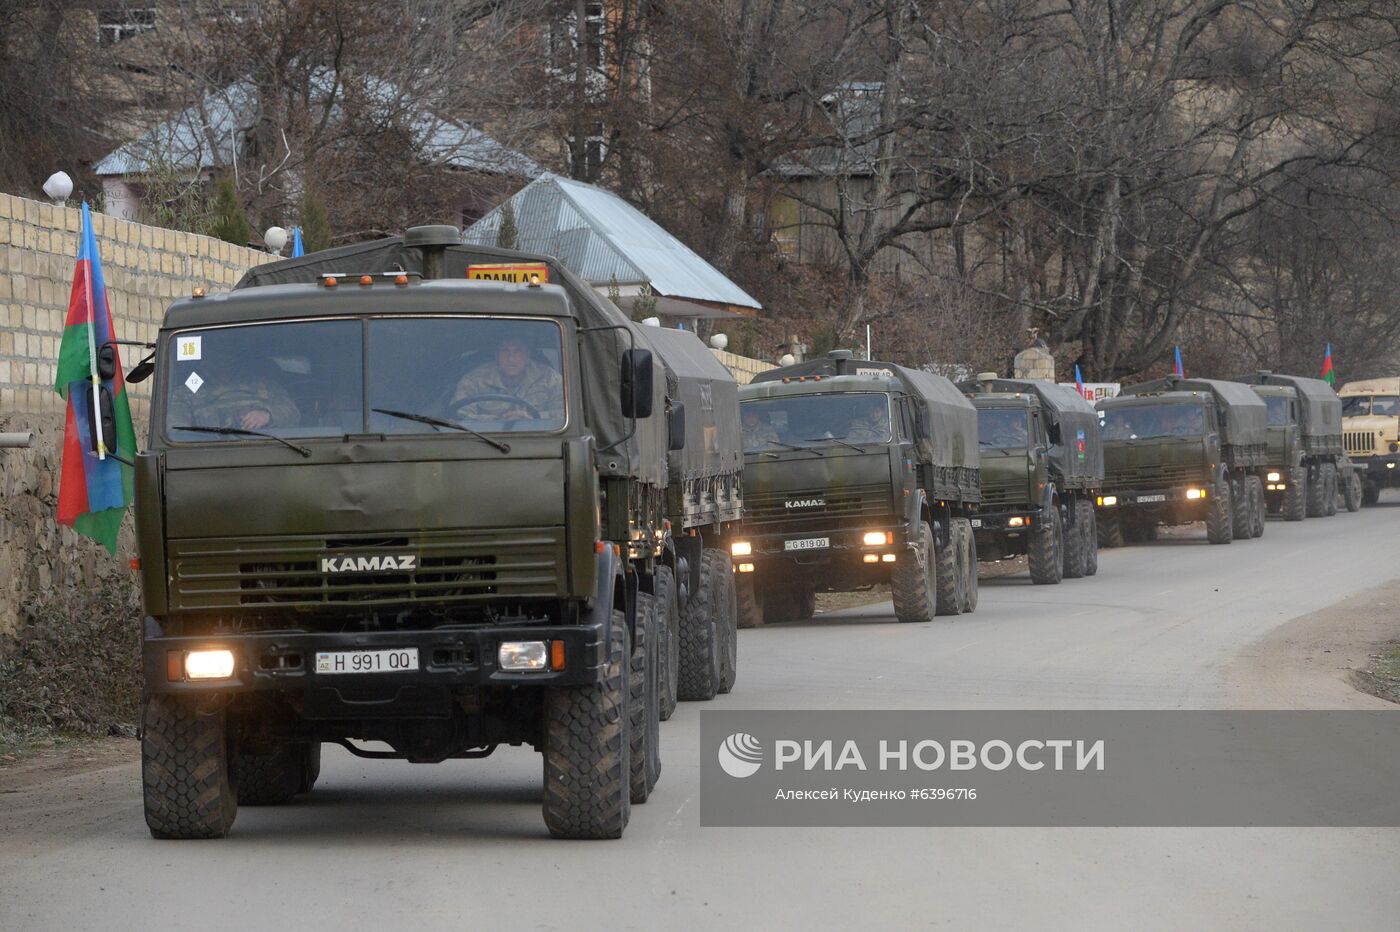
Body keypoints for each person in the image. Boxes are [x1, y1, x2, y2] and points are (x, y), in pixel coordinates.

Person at [449, 334, 564, 422]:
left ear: (527, 354)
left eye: (517, 351)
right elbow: (459, 416)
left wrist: (534, 418)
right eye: (505, 351)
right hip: (486, 442)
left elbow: (567, 414)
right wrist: (499, 421)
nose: (511, 359)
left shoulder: (549, 378)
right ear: (496, 355)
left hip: (541, 440)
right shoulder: (474, 379)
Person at [167, 358, 299, 431]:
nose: (221, 357)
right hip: (210, 457)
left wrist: (267, 415)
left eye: (226, 349)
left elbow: (293, 412)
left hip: (265, 450)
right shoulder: (188, 390)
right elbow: (177, 432)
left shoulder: (262, 384)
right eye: (215, 349)